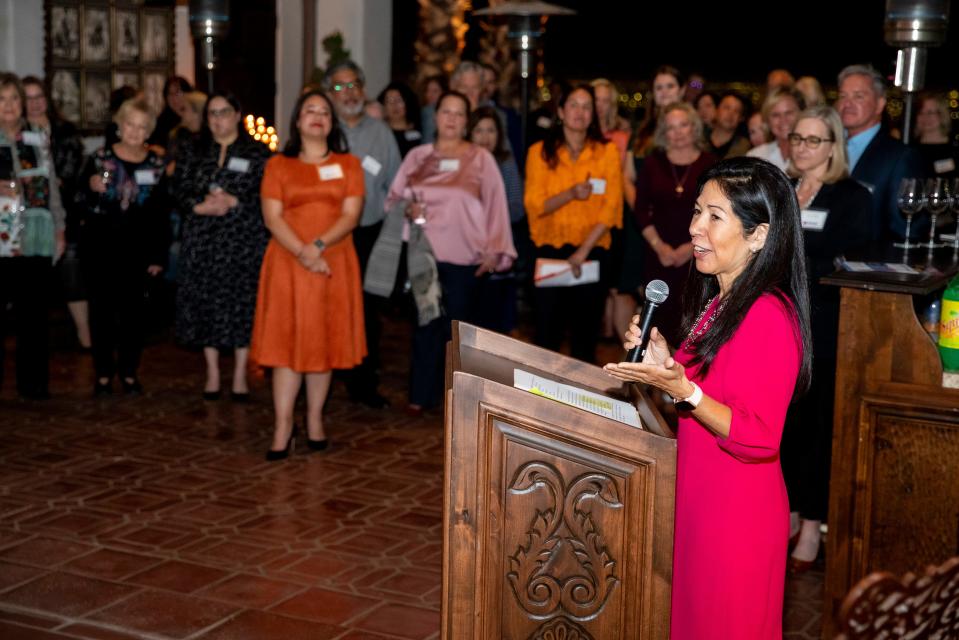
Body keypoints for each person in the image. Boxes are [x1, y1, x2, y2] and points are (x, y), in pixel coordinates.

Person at [604, 156, 812, 640]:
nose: (695, 227)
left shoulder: (767, 315)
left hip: (736, 516)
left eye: (714, 217)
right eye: (697, 211)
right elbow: (714, 390)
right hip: (702, 497)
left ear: (758, 235)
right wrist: (666, 362)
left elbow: (759, 437)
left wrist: (683, 389)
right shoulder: (722, 299)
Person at [370, 90, 515, 415]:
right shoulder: (418, 156)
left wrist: (495, 250)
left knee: (458, 331)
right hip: (423, 256)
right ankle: (420, 395)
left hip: (466, 259)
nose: (451, 118)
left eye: (459, 113)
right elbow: (392, 200)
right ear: (435, 117)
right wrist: (408, 208)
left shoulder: (480, 158)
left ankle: (459, 399)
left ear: (467, 120)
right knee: (425, 326)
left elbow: (497, 206)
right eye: (445, 112)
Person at [250, 89, 366, 459]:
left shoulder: (349, 165)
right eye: (309, 110)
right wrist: (304, 252)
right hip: (287, 262)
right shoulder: (278, 166)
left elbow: (351, 216)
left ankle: (315, 419)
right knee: (286, 344)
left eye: (324, 112)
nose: (317, 116)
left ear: (331, 124)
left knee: (324, 341)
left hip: (333, 262)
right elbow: (272, 217)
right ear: (298, 121)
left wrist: (316, 247)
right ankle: (284, 424)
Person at [781, 105, 872, 573]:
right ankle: (790, 513)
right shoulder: (782, 189)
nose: (802, 147)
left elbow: (844, 260)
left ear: (833, 146)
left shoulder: (852, 196)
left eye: (813, 140)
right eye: (798, 137)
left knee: (816, 429)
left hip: (826, 329)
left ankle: (813, 527)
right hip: (780, 326)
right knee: (785, 425)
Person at [174, 92, 271, 401]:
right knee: (207, 303)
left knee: (240, 303)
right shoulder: (193, 149)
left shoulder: (257, 152)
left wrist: (235, 202)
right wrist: (198, 207)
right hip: (203, 239)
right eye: (212, 114)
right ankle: (213, 373)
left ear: (237, 114)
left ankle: (241, 374)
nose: (217, 119)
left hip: (241, 240)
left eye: (224, 112)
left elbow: (267, 196)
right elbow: (179, 189)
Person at [524, 84, 622, 363]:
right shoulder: (539, 152)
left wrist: (582, 252)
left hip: (592, 253)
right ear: (560, 111)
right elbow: (534, 206)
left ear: (594, 114)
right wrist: (570, 195)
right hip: (549, 252)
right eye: (574, 105)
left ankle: (579, 403)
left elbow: (612, 208)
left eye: (586, 106)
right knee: (546, 335)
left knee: (585, 337)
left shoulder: (607, 153)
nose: (580, 112)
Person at [325, 60, 402, 409]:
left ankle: (363, 382)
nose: (349, 92)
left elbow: (396, 185)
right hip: (327, 237)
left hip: (368, 234)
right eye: (340, 87)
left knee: (367, 311)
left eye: (354, 84)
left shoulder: (380, 132)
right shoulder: (322, 128)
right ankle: (321, 380)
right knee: (327, 308)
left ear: (364, 89)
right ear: (330, 94)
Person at [79, 98, 169, 396]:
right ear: (119, 125)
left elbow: (160, 213)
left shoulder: (156, 164)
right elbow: (80, 203)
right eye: (130, 124)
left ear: (148, 132)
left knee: (134, 316)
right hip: (102, 248)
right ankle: (103, 374)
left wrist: (158, 255)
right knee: (101, 315)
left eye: (142, 127)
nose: (134, 131)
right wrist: (90, 189)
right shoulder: (100, 158)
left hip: (138, 251)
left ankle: (129, 372)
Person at [0, 73, 66, 399]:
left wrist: (59, 227)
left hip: (37, 235)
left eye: (14, 98)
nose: (9, 105)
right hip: (1, 237)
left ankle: (35, 385)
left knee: (34, 317)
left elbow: (51, 184)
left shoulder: (36, 136)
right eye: (2, 99)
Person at [635, 102, 717, 345]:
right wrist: (659, 246)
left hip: (698, 256)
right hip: (658, 256)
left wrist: (690, 249)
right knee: (654, 328)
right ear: (663, 132)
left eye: (683, 125)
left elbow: (716, 212)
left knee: (691, 326)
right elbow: (640, 209)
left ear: (694, 128)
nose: (678, 132)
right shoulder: (653, 162)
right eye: (671, 127)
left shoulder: (710, 163)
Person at [22, 75, 88, 350]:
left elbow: (74, 172)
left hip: (65, 210)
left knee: (73, 272)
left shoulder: (64, 130)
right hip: (29, 215)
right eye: (29, 98)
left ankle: (85, 334)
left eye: (39, 97)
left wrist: (53, 182)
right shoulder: (16, 133)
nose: (35, 103)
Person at [836, 63, 923, 241]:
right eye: (843, 96)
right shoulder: (826, 146)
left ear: (880, 104)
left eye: (858, 96)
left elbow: (906, 228)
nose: (847, 103)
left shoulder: (899, 157)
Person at [468, 105, 524, 333]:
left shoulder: (505, 162)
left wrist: (490, 217)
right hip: (467, 254)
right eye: (479, 130)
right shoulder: (462, 164)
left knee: (494, 327)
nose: (485, 137)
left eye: (491, 130)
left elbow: (517, 208)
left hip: (498, 255)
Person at [633, 66, 685, 161]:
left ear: (681, 90)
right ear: (653, 93)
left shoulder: (692, 127)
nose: (664, 92)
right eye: (659, 87)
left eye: (670, 86)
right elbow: (630, 173)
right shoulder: (642, 131)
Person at [747, 88, 805, 172]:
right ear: (767, 121)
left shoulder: (813, 154)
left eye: (788, 113)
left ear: (801, 114)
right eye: (775, 115)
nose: (783, 120)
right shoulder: (756, 157)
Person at [913, 92, 958, 179]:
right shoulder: (909, 150)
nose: (925, 117)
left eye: (930, 112)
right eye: (921, 112)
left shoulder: (955, 151)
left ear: (942, 115)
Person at [377, 81, 422, 158]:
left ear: (407, 103)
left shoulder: (419, 130)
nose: (394, 105)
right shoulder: (379, 132)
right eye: (389, 101)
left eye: (399, 100)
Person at [149, 76, 192, 147]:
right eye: (170, 94)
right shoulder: (161, 122)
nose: (174, 98)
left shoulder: (195, 118)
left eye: (178, 93)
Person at [707, 92, 751, 159]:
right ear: (716, 110)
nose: (730, 114)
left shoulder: (746, 147)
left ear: (741, 118)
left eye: (736, 111)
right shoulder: (699, 140)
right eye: (727, 108)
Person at [420, 74, 446, 144]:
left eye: (435, 91)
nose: (430, 94)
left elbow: (428, 141)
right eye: (427, 90)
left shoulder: (430, 111)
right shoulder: (424, 111)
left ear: (443, 93)